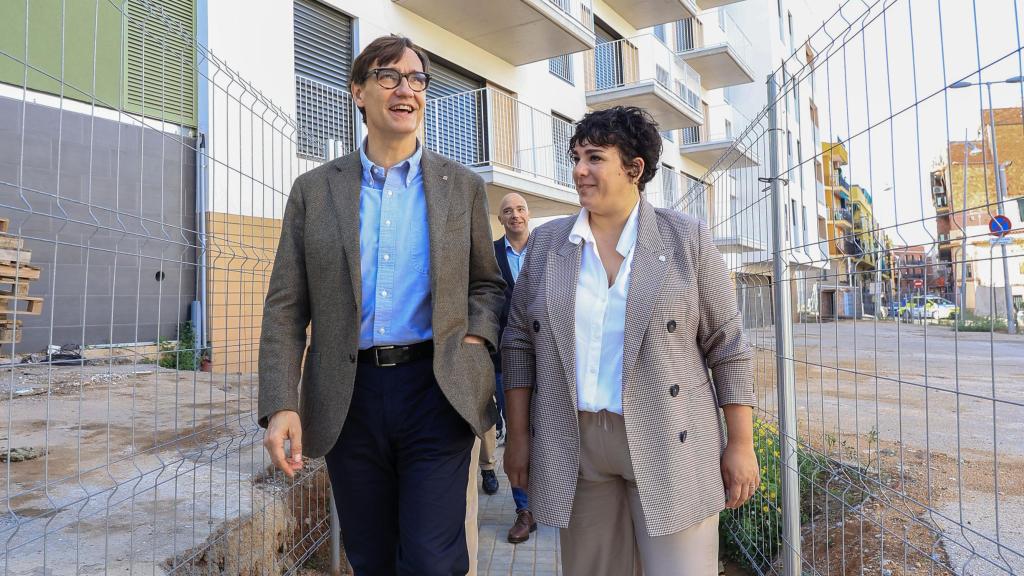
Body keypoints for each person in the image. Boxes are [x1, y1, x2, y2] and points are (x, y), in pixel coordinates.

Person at [258, 35, 505, 576]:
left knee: (433, 560)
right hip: (350, 397)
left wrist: (476, 340)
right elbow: (284, 306)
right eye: (388, 76)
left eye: (416, 79)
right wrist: (281, 403)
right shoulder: (314, 191)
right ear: (358, 92)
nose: (405, 89)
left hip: (436, 390)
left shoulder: (460, 187)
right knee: (370, 557)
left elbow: (487, 285)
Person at [501, 106, 760, 575]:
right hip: (575, 442)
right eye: (576, 156)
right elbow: (518, 341)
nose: (579, 169)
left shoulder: (687, 239)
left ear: (634, 168)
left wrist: (741, 442)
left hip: (671, 436)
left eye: (595, 157)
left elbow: (728, 344)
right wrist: (517, 437)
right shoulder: (547, 244)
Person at [490, 192, 536, 544]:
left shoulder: (548, 250)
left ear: (528, 214)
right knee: (516, 431)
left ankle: (556, 500)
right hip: (505, 361)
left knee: (552, 430)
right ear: (501, 219)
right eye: (508, 211)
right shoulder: (490, 256)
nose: (515, 215)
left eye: (520, 209)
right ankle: (525, 510)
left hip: (549, 358)